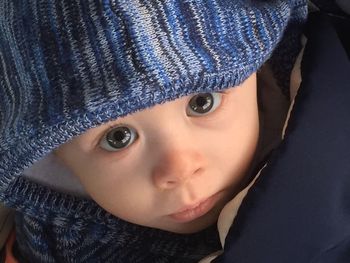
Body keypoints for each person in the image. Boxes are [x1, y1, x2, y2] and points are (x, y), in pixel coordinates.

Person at [0, 0, 307, 262]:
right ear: (53, 153)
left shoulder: (319, 133)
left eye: (203, 102)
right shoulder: (59, 246)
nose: (181, 169)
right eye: (117, 137)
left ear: (260, 69)